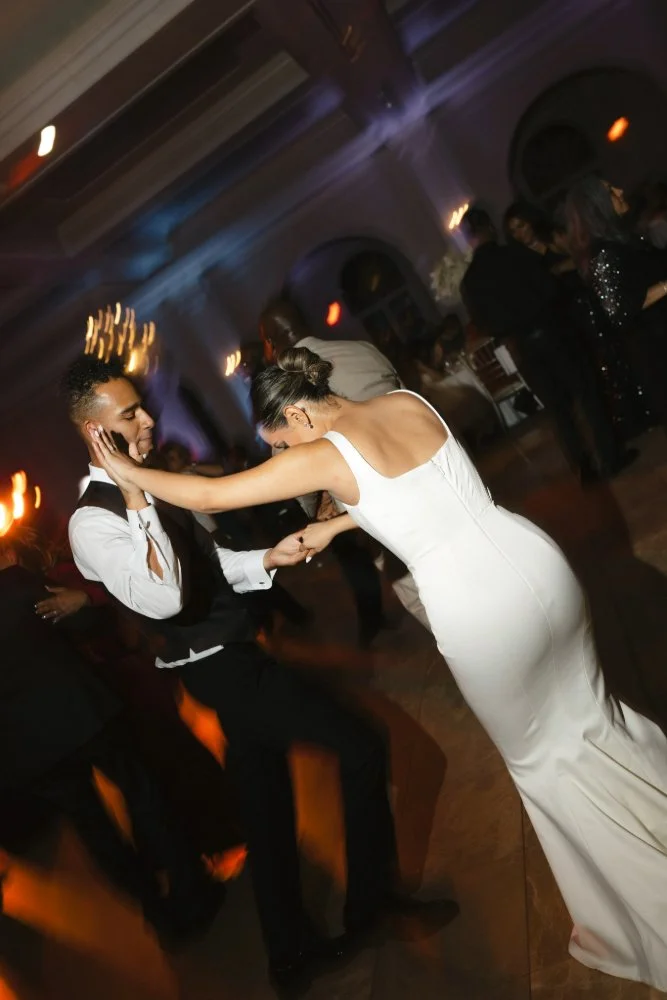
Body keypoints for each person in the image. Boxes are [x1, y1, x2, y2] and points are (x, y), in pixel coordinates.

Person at [91, 345, 667, 993]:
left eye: (280, 446)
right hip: (532, 562)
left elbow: (211, 493)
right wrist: (332, 531)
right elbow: (419, 489)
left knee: (544, 761)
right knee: (593, 717)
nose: (285, 462)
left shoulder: (320, 451)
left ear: (300, 421)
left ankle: (642, 915)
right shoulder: (404, 402)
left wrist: (119, 467)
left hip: (477, 608)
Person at [62, 355, 410, 990]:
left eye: (142, 406)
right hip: (216, 669)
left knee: (268, 809)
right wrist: (137, 490)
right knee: (361, 746)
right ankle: (369, 907)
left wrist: (267, 559)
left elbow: (207, 565)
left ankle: (288, 954)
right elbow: (163, 598)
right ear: (94, 431)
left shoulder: (151, 484)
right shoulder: (92, 520)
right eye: (129, 414)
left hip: (234, 652)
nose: (146, 419)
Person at [0, 523, 223, 948]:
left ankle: (158, 915)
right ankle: (193, 892)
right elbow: (83, 624)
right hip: (82, 713)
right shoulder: (15, 585)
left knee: (95, 831)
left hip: (30, 748)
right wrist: (83, 601)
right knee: (144, 795)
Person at [260, 297, 430, 631]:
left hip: (374, 505)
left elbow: (297, 474)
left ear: (272, 342)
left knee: (418, 590)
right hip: (425, 471)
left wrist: (315, 513)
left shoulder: (288, 392)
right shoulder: (362, 348)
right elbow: (411, 400)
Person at [460, 206, 634, 483]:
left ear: (467, 239)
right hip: (551, 332)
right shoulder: (516, 254)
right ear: (491, 228)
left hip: (520, 347)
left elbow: (483, 323)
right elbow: (550, 289)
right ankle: (610, 457)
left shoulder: (469, 282)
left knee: (557, 409)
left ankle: (584, 469)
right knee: (586, 392)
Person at [565, 175, 667, 429]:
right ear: (598, 205)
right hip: (653, 346)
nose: (621, 191)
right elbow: (619, 310)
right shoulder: (603, 254)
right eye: (611, 190)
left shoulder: (621, 239)